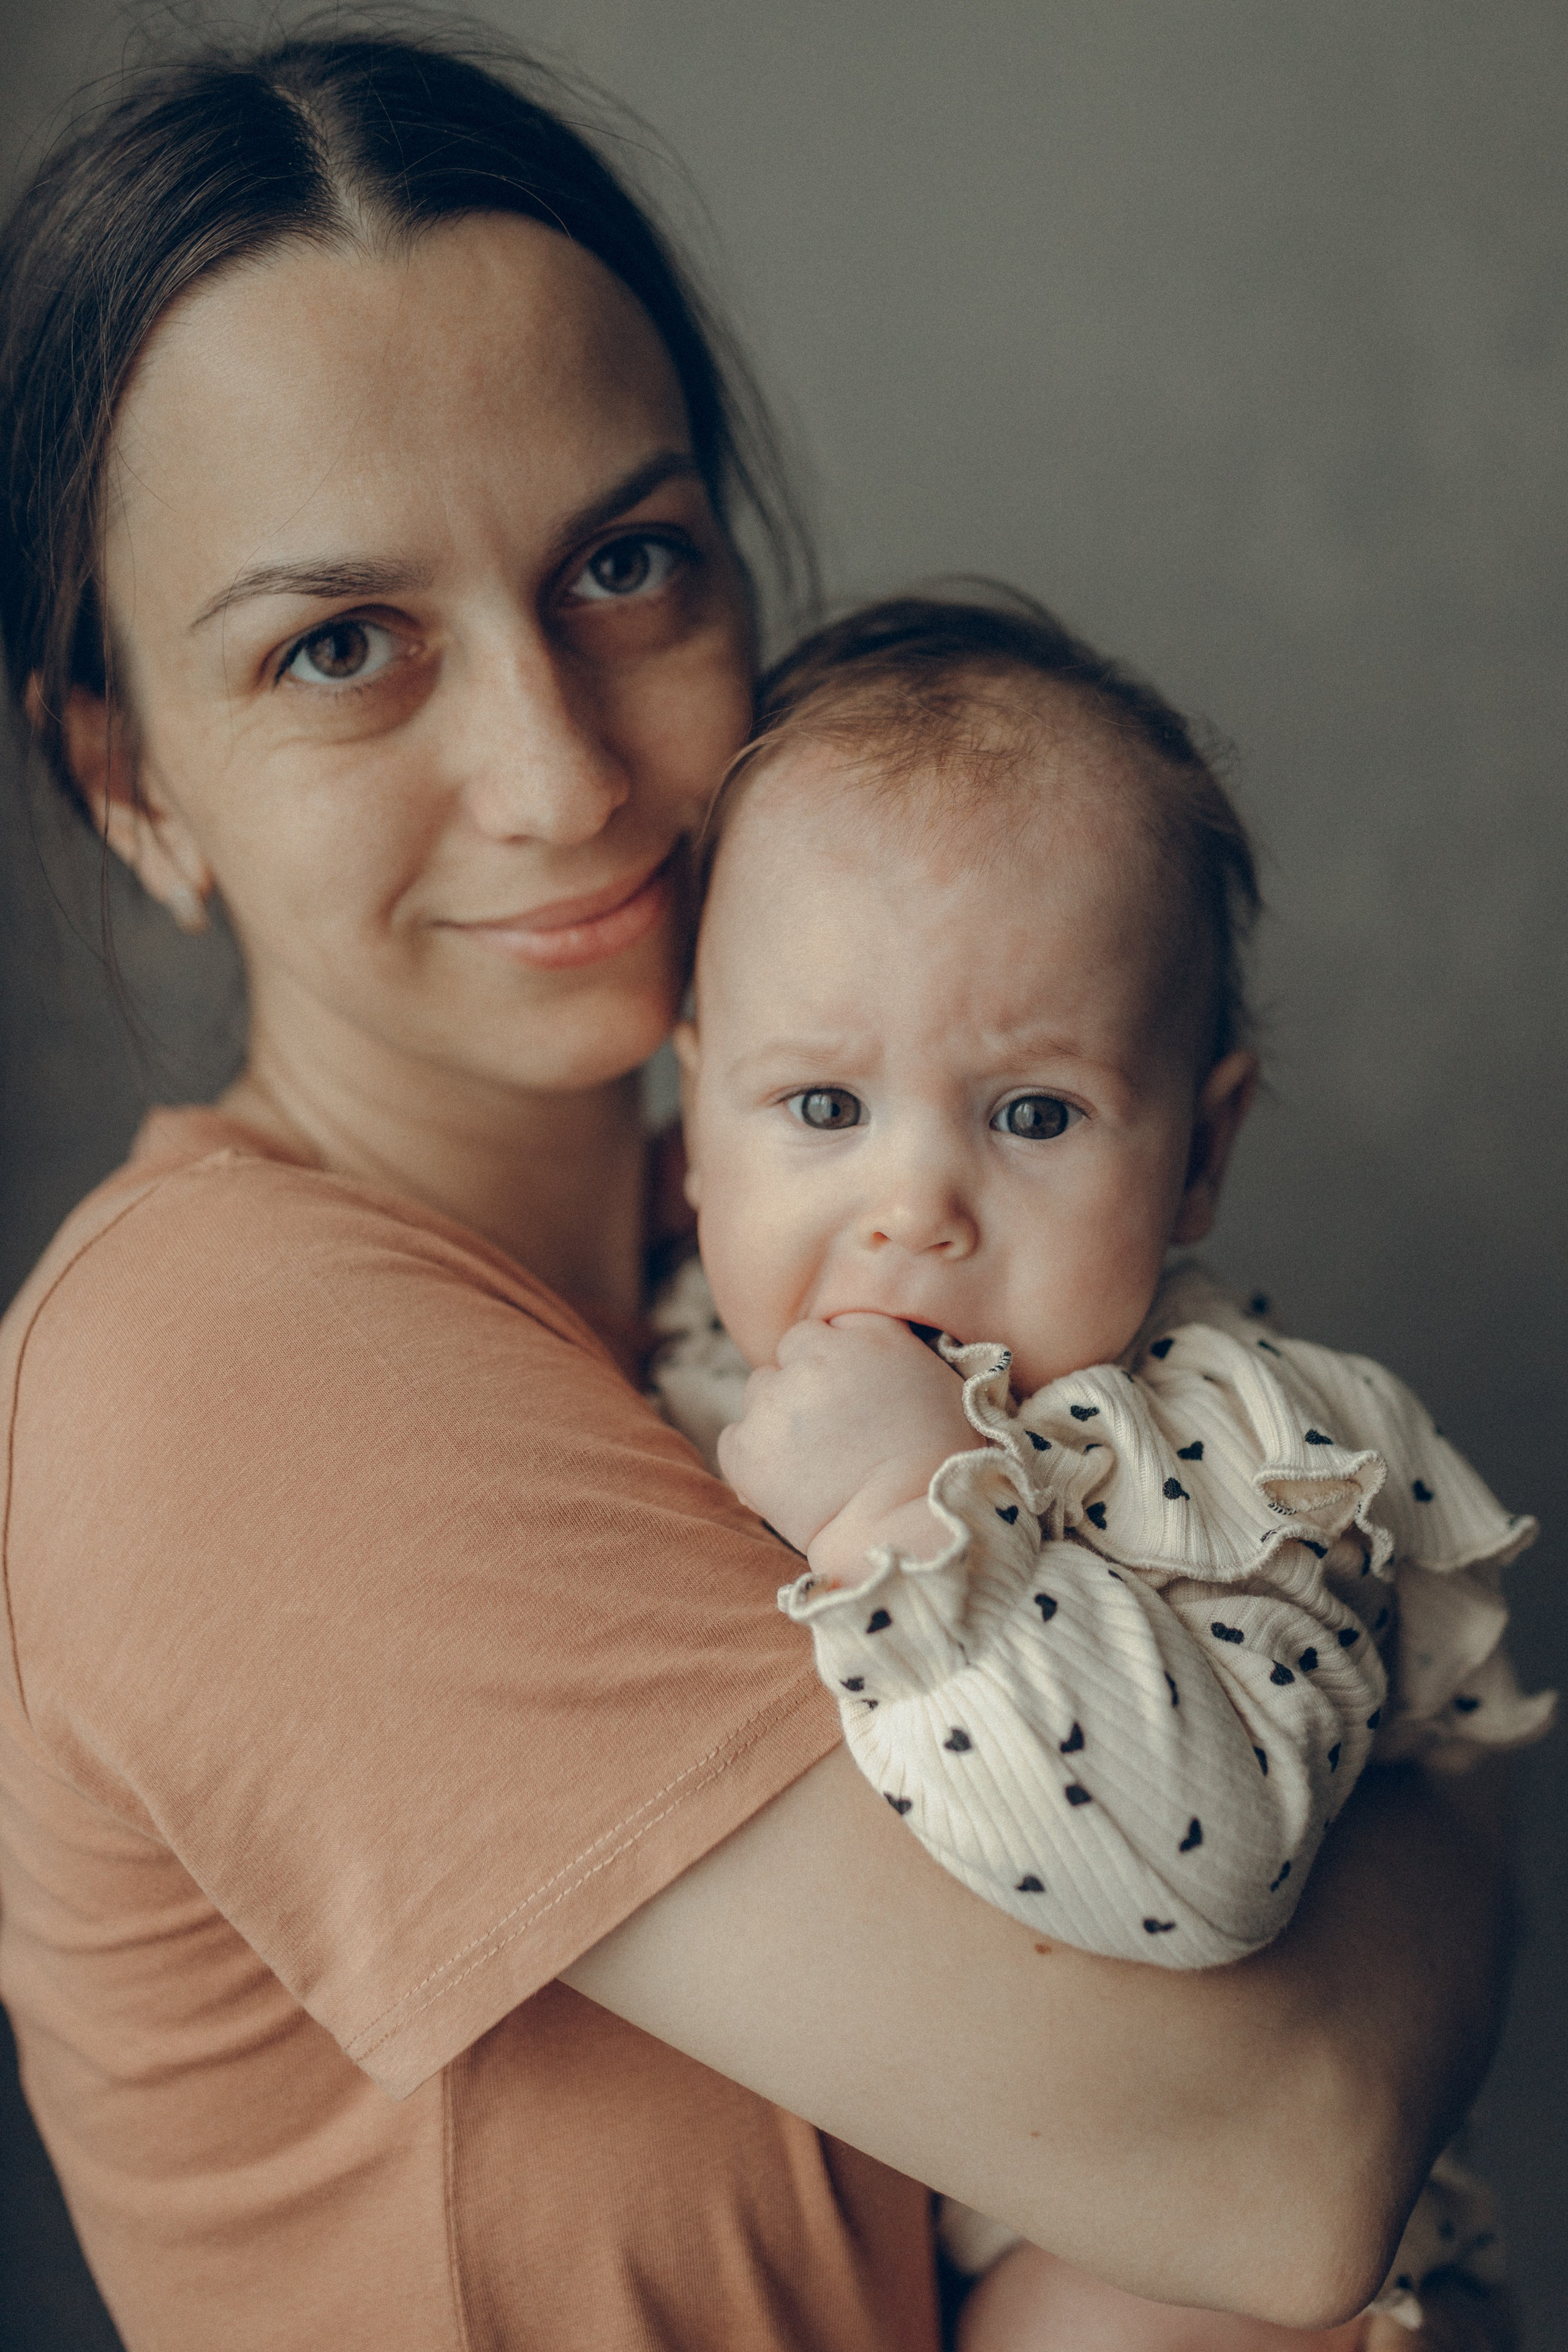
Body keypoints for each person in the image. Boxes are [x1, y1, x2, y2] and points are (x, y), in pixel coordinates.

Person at [0, 28, 1517, 2351]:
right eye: (338, 645)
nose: (557, 770)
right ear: (134, 787)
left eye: (624, 563)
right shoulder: (217, 1366)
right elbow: (1283, 2166)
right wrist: (1440, 1838)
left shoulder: (819, 1294)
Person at [657, 592, 1552, 2345]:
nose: (914, 1205)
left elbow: (1205, 1873)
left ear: (1201, 1151)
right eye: (821, 1109)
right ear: (695, 1119)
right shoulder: (667, 1364)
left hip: (1216, 2277)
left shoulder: (1227, 1461)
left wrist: (931, 1528)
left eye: (1035, 1114)